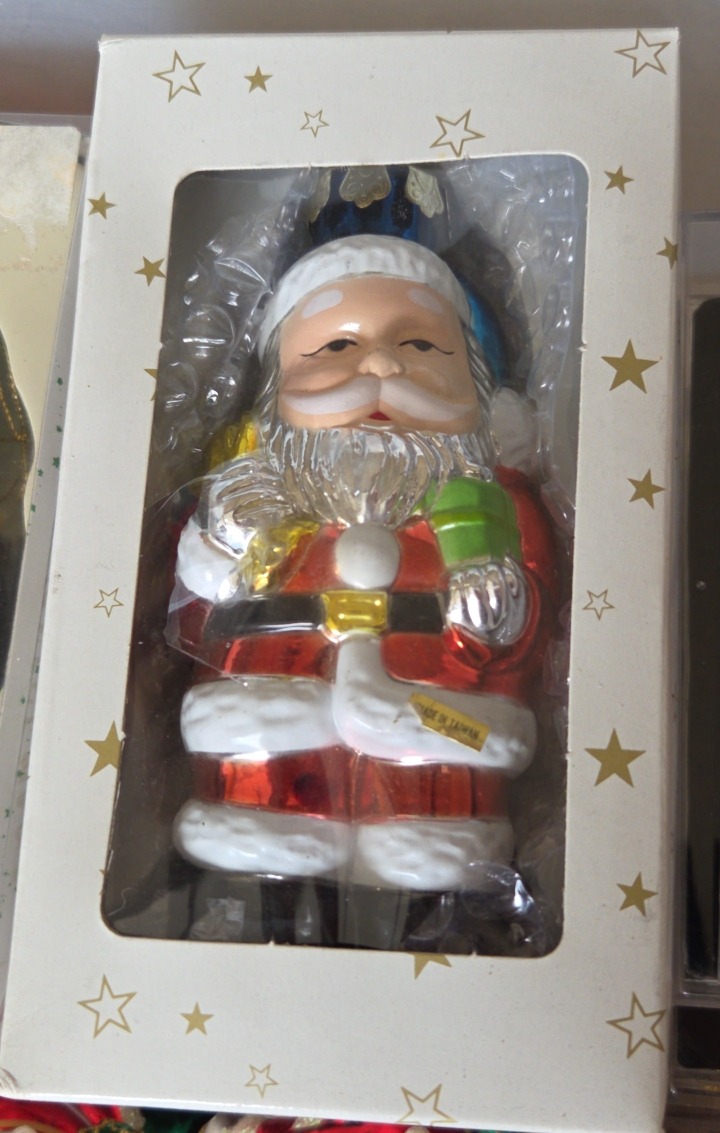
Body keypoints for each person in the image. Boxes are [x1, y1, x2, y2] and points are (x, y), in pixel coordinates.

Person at [166, 234, 557, 941]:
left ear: (476, 387)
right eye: (337, 346)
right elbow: (193, 626)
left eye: (421, 345)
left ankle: (439, 934)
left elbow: (529, 627)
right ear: (277, 389)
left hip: (438, 727)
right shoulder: (259, 496)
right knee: (263, 857)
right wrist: (222, 545)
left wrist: (499, 602)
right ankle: (260, 928)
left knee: (433, 858)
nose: (380, 365)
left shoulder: (490, 505)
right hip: (272, 732)